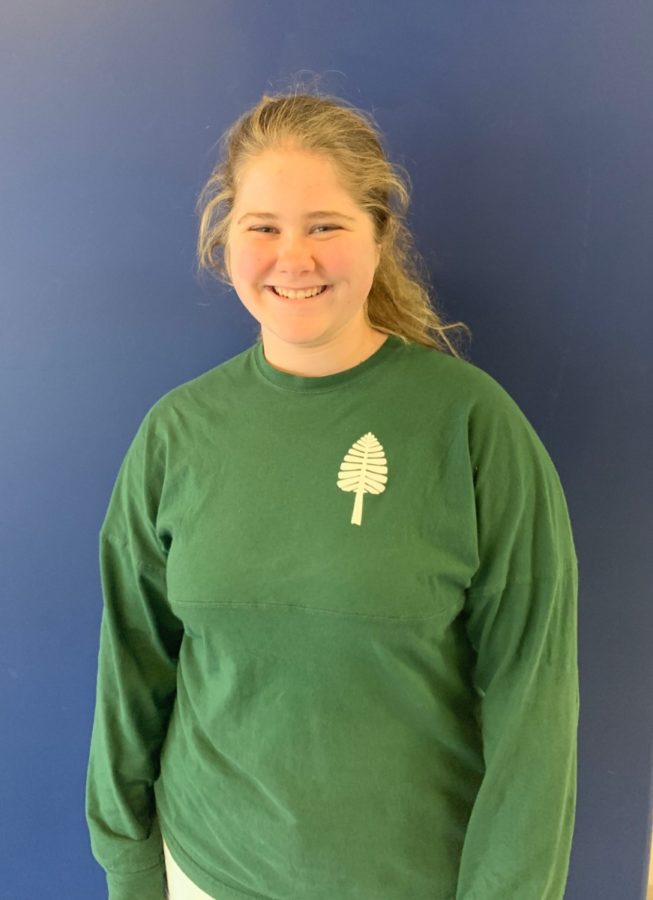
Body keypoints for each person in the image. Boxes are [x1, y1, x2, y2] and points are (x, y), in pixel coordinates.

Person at [85, 87, 579, 900]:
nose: (294, 258)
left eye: (325, 225)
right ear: (225, 240)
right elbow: (131, 678)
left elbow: (535, 705)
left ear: (379, 234)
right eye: (264, 227)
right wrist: (133, 874)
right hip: (202, 873)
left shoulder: (471, 425)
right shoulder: (177, 433)